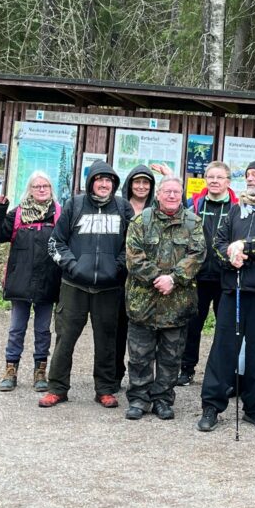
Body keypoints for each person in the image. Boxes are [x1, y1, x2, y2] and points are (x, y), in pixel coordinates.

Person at [197, 160, 255, 432]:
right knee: (223, 350)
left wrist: (247, 247)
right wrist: (231, 258)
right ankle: (211, 406)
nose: (250, 179)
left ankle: (254, 407)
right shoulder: (236, 210)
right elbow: (218, 244)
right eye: (248, 175)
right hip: (234, 291)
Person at [40, 160, 135, 408]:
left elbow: (133, 245)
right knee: (65, 339)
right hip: (74, 286)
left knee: (107, 341)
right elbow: (55, 243)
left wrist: (117, 267)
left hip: (110, 288)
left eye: (108, 181)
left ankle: (104, 389)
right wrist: (73, 266)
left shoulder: (123, 208)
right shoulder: (75, 205)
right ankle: (57, 388)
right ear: (91, 182)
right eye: (99, 180)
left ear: (114, 184)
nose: (104, 184)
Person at [123, 176, 205, 420]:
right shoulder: (140, 221)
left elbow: (198, 254)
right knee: (139, 355)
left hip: (177, 303)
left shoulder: (193, 222)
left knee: (171, 357)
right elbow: (133, 256)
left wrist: (174, 278)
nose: (171, 196)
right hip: (143, 302)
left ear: (181, 195)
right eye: (167, 191)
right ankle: (139, 398)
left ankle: (163, 400)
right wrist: (158, 277)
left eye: (176, 192)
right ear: (157, 194)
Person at [0, 171, 62, 393]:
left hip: (48, 282)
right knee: (16, 329)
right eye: (37, 186)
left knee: (43, 330)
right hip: (20, 282)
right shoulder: (17, 214)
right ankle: (10, 371)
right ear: (30, 189)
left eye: (45, 185)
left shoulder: (59, 214)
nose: (42, 189)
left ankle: (40, 372)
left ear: (51, 189)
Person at [178, 161, 238, 386]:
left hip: (226, 276)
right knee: (192, 325)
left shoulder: (236, 207)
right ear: (205, 180)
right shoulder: (195, 204)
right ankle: (186, 369)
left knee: (225, 328)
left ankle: (223, 372)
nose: (214, 181)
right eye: (210, 177)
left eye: (219, 177)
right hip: (199, 276)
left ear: (228, 182)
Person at [116, 166, 157, 387]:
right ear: (129, 184)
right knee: (118, 327)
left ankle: (143, 379)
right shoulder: (119, 206)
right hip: (120, 274)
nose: (141, 187)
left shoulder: (156, 209)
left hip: (147, 278)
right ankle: (115, 374)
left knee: (144, 332)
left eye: (146, 183)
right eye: (137, 182)